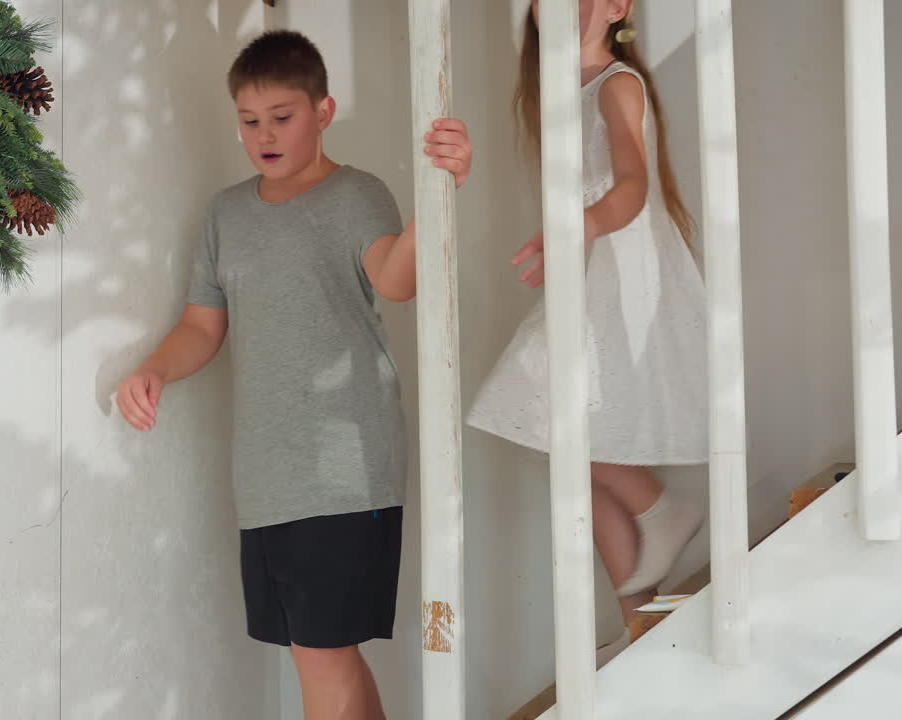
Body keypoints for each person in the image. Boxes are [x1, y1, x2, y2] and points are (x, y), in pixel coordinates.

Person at [116, 30, 473, 720]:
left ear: (323, 110)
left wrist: (440, 191)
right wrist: (155, 368)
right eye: (249, 121)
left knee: (322, 657)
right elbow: (202, 326)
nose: (265, 136)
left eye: (282, 117)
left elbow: (396, 280)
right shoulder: (226, 214)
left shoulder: (356, 195)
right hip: (265, 476)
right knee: (327, 655)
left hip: (345, 466)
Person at [467, 0, 708, 625]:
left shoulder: (617, 84)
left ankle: (662, 510)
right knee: (570, 456)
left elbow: (633, 183)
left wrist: (586, 224)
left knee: (563, 430)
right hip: (592, 273)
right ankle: (640, 620)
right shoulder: (557, 92)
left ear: (617, 8)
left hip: (623, 280)